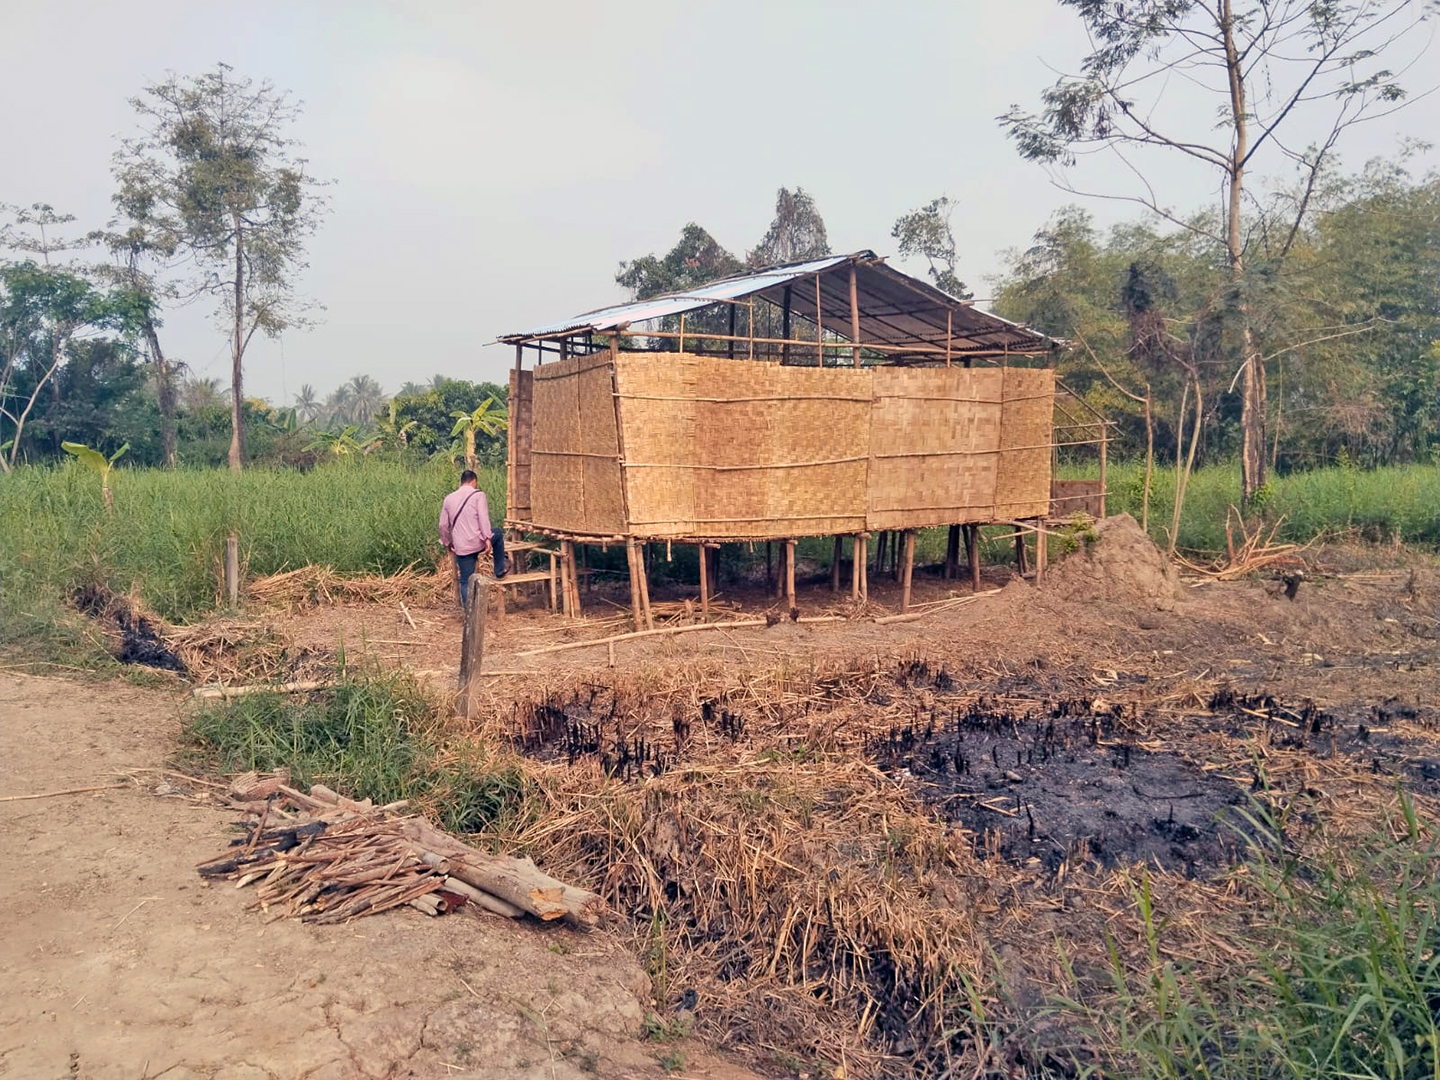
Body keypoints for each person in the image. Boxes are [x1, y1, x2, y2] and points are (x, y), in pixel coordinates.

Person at [438, 470, 506, 609]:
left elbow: (443, 525)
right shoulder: (478, 495)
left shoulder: (449, 498)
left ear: (461, 482)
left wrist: (447, 541)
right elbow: (483, 518)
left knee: (465, 581)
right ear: (474, 481)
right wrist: (487, 538)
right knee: (497, 533)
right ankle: (499, 570)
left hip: (462, 547)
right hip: (478, 542)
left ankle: (469, 613)